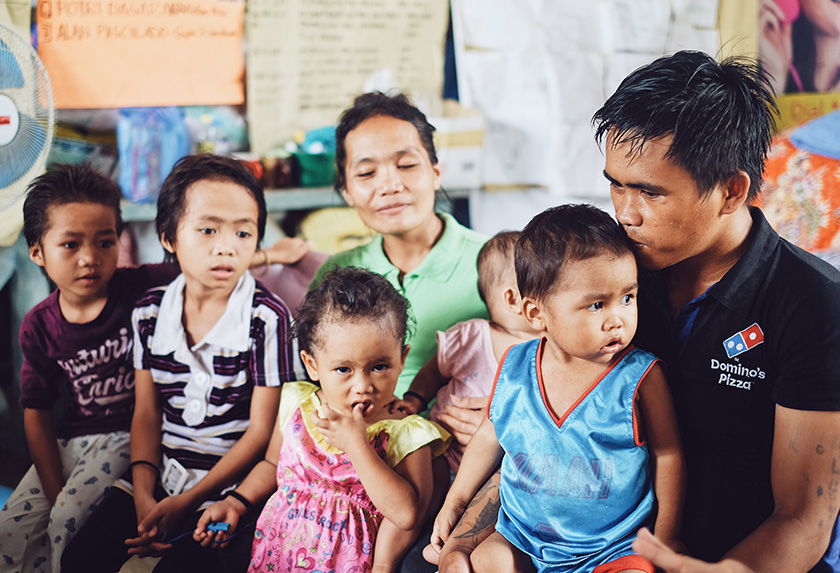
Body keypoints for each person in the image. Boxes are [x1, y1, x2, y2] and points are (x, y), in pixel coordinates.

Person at [592, 49, 840, 572]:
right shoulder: (607, 270)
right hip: (614, 551)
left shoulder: (816, 304)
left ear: (731, 191)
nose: (624, 213)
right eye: (616, 183)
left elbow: (802, 517)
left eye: (650, 193)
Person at [61, 154, 298, 572]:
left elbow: (262, 432)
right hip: (162, 473)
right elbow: (147, 414)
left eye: (244, 232)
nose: (227, 246)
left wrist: (188, 502)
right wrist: (144, 495)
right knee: (81, 559)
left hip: (231, 487)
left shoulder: (267, 318)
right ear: (169, 237)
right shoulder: (149, 313)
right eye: (207, 229)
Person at [430, 204, 684, 573]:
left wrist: (668, 536)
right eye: (597, 304)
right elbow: (490, 436)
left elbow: (669, 454)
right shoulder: (516, 367)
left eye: (628, 298)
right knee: (487, 560)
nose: (618, 318)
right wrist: (455, 500)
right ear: (536, 314)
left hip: (614, 545)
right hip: (524, 537)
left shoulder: (640, 376)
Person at [194, 266, 450, 572]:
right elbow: (272, 464)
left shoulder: (408, 433)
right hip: (279, 553)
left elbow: (408, 515)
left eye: (380, 366)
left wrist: (358, 446)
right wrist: (236, 502)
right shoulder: (298, 405)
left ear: (402, 359)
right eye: (343, 369)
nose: (363, 385)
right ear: (312, 365)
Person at [0, 165, 178, 573]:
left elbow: (199, 266)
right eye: (70, 244)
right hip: (74, 439)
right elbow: (37, 414)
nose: (89, 259)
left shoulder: (136, 287)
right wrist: (53, 488)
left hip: (131, 433)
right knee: (10, 530)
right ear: (37, 252)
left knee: (67, 521)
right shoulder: (39, 326)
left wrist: (266, 256)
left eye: (104, 242)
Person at [310, 91, 490, 408]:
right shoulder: (335, 274)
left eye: (406, 164)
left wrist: (493, 417)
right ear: (347, 191)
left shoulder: (495, 262)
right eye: (366, 173)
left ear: (436, 172)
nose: (390, 185)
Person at [393, 231, 540, 474]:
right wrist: (414, 400)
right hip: (443, 448)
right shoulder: (472, 336)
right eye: (550, 285)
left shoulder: (554, 348)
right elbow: (434, 370)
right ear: (513, 299)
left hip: (500, 468)